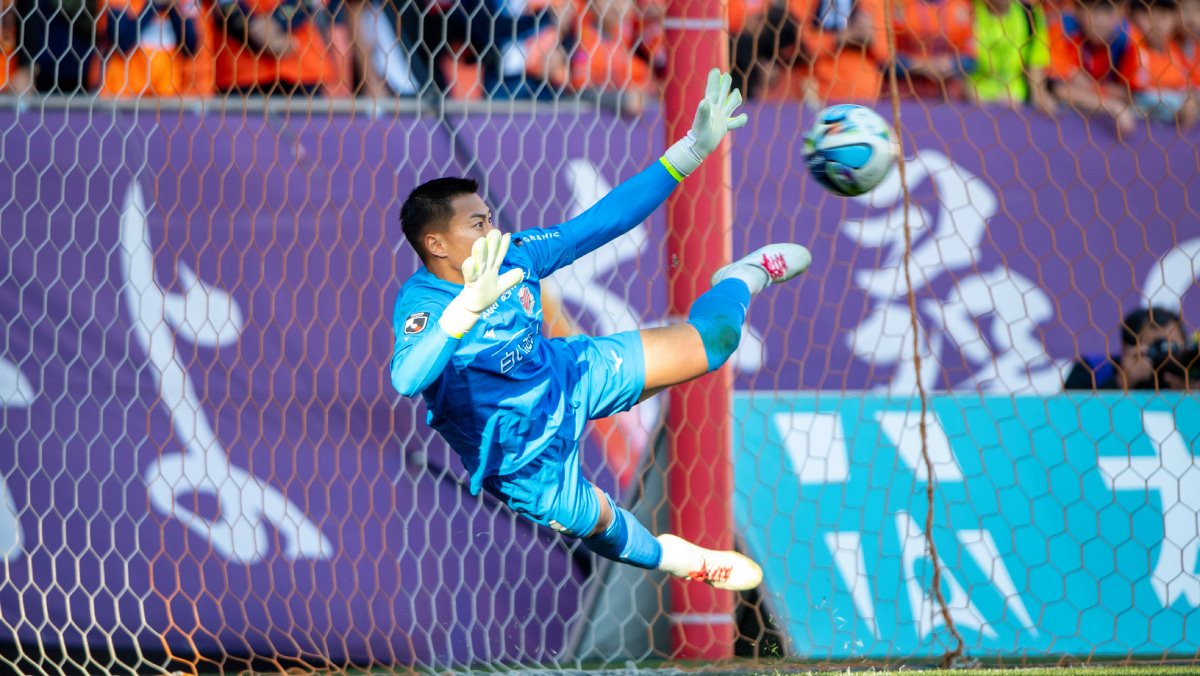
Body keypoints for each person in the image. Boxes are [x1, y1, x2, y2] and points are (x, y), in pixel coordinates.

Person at [389, 70, 810, 589]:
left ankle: (741, 278)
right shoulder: (423, 303)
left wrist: (691, 151)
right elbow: (407, 378)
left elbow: (600, 223)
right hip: (522, 458)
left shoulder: (516, 256)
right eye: (477, 224)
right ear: (436, 245)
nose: (493, 230)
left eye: (490, 217)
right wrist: (466, 311)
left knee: (716, 342)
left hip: (569, 376)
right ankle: (680, 560)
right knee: (607, 530)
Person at [1047, 0, 1138, 132]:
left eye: (1108, 12)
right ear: (1077, 10)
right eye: (1094, 11)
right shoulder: (1062, 29)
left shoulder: (1127, 37)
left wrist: (1088, 86)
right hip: (1067, 122)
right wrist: (1110, 104)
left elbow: (1129, 95)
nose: (1101, 20)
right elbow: (1059, 90)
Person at [212, 0, 334, 96]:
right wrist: (260, 33)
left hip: (300, 67)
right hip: (239, 69)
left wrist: (274, 24)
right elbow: (224, 4)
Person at [1064, 307, 1196, 390]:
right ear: (1127, 349)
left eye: (1174, 348)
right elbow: (1068, 420)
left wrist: (1190, 398)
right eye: (1159, 348)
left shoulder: (1191, 376)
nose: (1168, 356)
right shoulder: (1094, 369)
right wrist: (1121, 383)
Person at [969, 0, 1057, 115]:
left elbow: (1035, 67)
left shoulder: (1030, 14)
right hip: (971, 105)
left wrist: (1041, 99)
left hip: (1019, 107)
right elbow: (957, 67)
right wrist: (987, 101)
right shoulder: (966, 9)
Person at [98, 0, 201, 97]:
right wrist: (153, 5)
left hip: (166, 91)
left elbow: (190, 47)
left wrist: (172, 6)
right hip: (123, 92)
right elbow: (121, 43)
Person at [1124, 0, 1199, 126]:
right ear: (1131, 15)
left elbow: (1185, 84)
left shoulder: (1174, 50)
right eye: (1148, 13)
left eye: (1163, 14)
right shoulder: (1130, 44)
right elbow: (1135, 93)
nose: (1156, 21)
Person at [891, 0, 977, 101]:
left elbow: (970, 59)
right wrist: (921, 66)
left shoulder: (962, 6)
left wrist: (951, 64)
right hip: (902, 96)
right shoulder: (897, 4)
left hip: (947, 97)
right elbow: (884, 57)